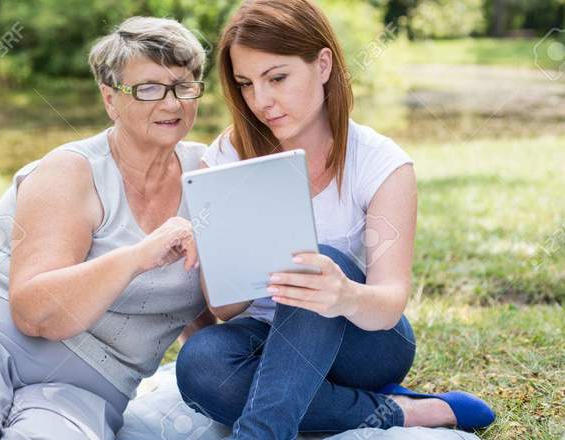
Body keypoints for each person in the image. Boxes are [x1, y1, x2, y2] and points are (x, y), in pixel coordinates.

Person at [175, 1, 495, 439]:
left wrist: (341, 295)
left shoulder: (381, 164)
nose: (261, 101)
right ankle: (401, 412)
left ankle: (261, 432)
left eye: (278, 78)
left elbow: (389, 301)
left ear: (323, 64)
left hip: (365, 341)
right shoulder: (227, 158)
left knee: (316, 261)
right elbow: (225, 309)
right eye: (247, 84)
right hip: (267, 339)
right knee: (201, 365)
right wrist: (223, 246)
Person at [0, 16, 214, 439]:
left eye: (184, 86)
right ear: (110, 99)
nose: (172, 104)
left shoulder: (213, 176)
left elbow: (208, 308)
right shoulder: (71, 171)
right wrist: (138, 257)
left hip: (87, 390)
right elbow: (35, 314)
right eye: (148, 89)